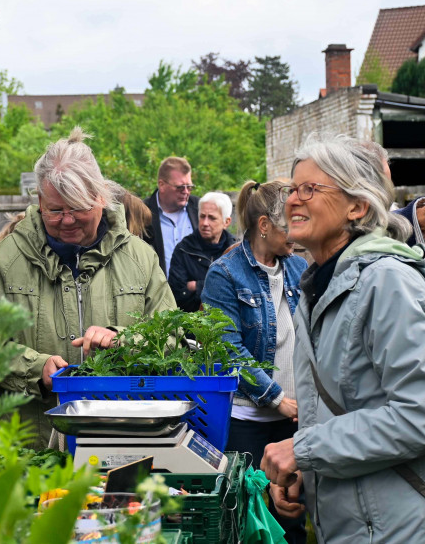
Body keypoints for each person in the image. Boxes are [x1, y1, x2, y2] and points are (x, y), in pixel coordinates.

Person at [0, 127, 176, 450]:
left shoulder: (140, 258)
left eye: (77, 208)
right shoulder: (8, 258)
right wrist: (35, 369)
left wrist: (124, 341)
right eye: (55, 210)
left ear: (100, 197)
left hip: (123, 447)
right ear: (39, 200)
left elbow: (174, 336)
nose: (66, 220)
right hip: (32, 452)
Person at [261, 134, 425, 544]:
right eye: (291, 189)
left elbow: (417, 414)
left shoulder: (387, 281)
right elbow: (344, 411)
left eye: (310, 189)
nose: (293, 200)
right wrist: (306, 475)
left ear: (357, 206)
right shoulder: (317, 287)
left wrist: (305, 451)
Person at [201, 179, 308, 543]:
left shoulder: (296, 266)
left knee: (291, 513)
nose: (296, 233)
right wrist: (276, 398)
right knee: (249, 513)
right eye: (288, 225)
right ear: (264, 226)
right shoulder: (225, 273)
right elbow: (228, 350)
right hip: (250, 418)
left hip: (294, 416)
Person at [168, 192, 235, 312]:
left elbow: (241, 292)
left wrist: (197, 286)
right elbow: (176, 296)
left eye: (212, 218)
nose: (205, 223)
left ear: (226, 222)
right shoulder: (183, 250)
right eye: (202, 216)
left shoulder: (236, 251)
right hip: (192, 326)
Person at [143, 157, 200, 276]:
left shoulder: (200, 210)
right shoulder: (143, 213)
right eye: (180, 187)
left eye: (189, 186)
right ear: (162, 185)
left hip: (194, 292)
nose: (186, 191)